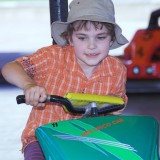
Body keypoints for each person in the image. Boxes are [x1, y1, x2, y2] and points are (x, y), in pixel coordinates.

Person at [2, 0, 128, 159]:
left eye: (100, 37)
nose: (91, 46)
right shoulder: (51, 57)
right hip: (43, 137)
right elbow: (10, 68)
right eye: (82, 38)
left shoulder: (116, 69)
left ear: (111, 40)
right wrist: (29, 86)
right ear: (70, 38)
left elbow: (115, 110)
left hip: (89, 138)